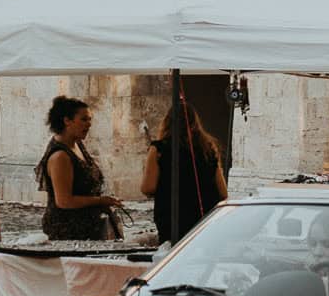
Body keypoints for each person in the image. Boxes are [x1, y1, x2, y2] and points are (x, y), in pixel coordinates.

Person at [142, 95, 228, 246]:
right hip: (205, 217)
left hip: (172, 218)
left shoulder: (159, 149)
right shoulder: (208, 148)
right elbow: (223, 193)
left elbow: (148, 187)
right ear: (195, 123)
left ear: (167, 123)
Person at [40, 95, 123, 240]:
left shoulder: (77, 144)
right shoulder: (60, 156)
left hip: (89, 226)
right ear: (67, 121)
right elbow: (64, 201)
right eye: (84, 119)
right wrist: (101, 200)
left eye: (90, 119)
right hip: (69, 230)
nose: (89, 124)